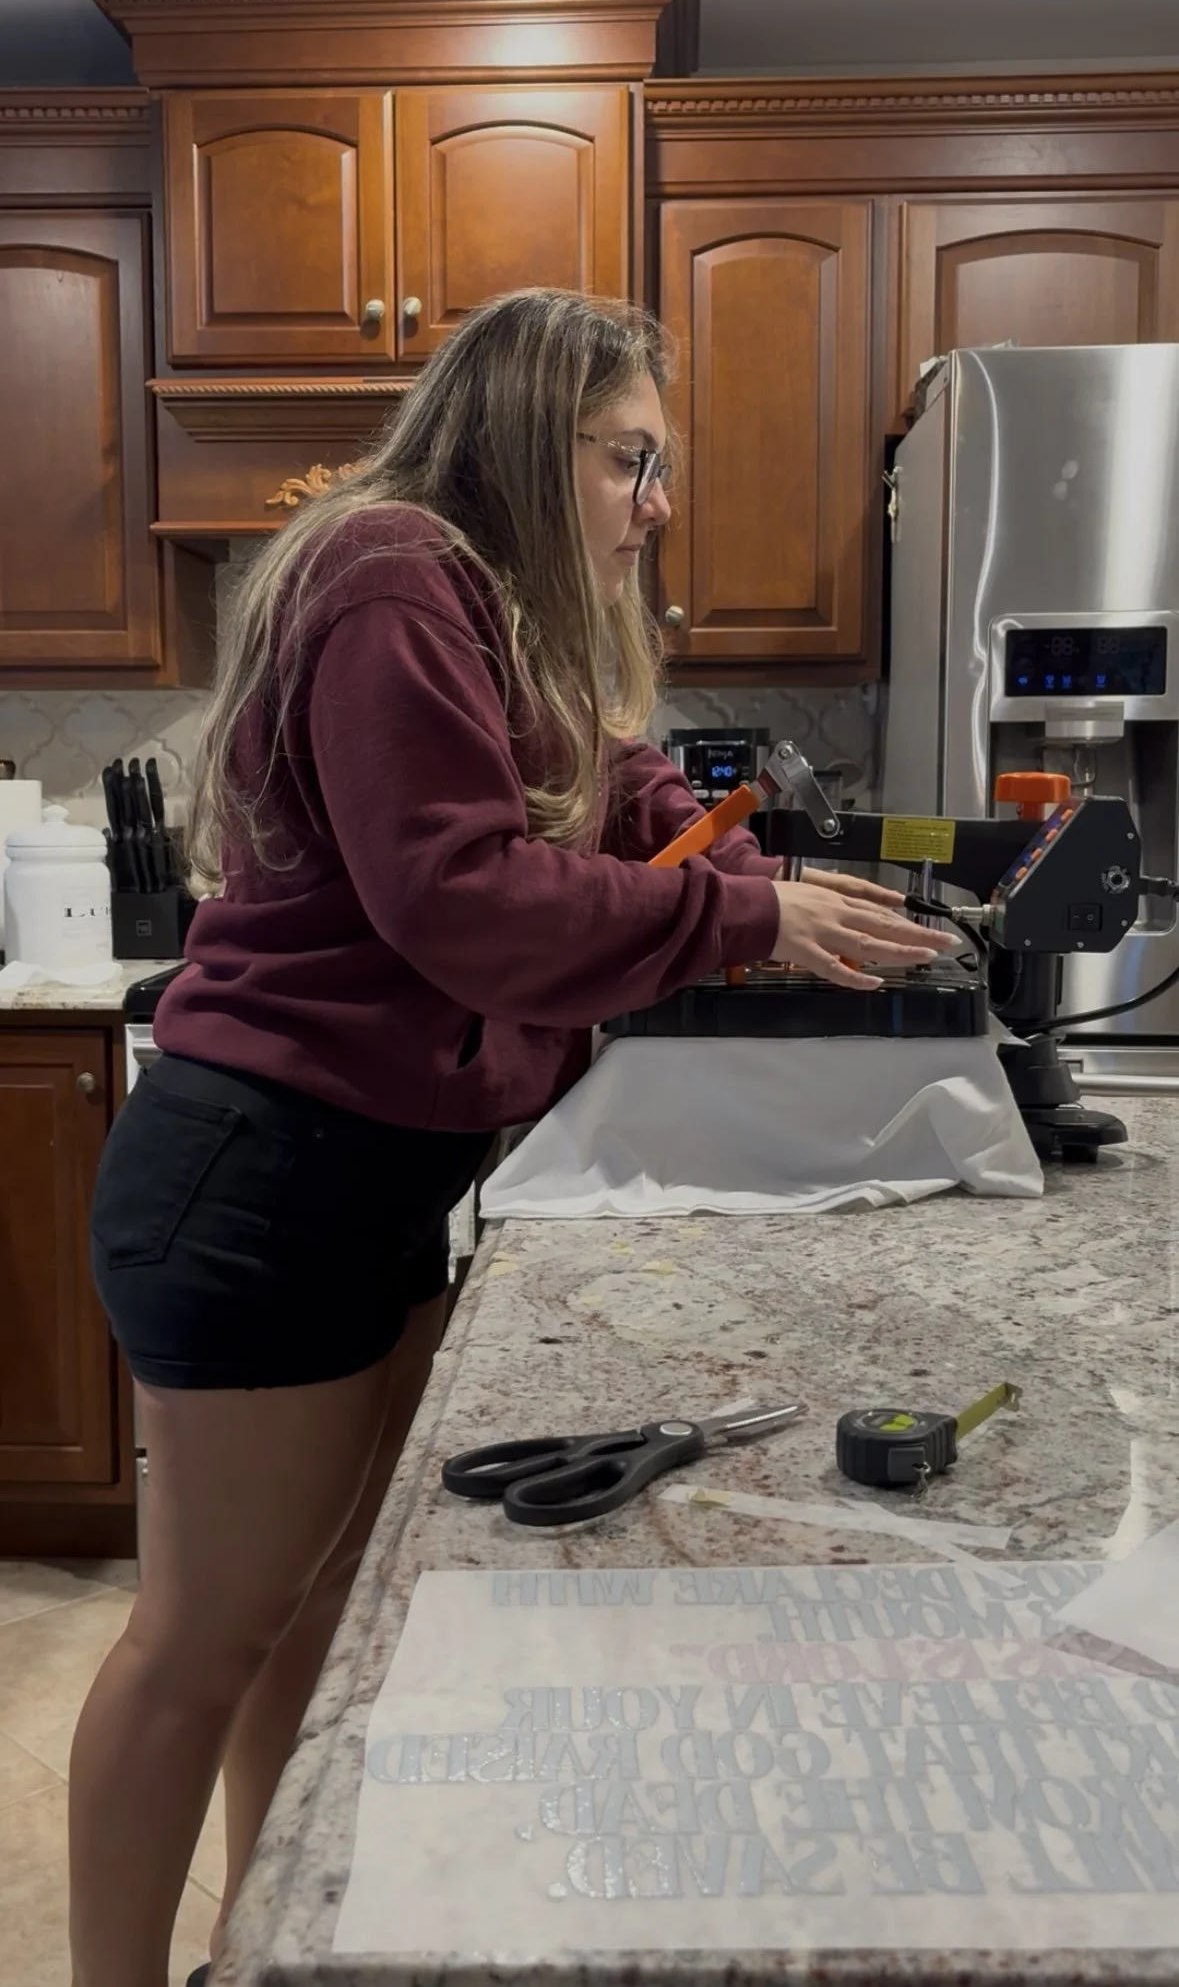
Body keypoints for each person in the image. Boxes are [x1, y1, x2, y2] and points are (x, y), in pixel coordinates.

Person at [69, 287, 950, 1987]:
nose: (658, 501)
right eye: (632, 460)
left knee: (305, 1617)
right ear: (525, 435)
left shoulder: (499, 612)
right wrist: (736, 926)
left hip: (365, 1178)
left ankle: (260, 1949)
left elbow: (622, 801)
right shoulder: (394, 574)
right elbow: (461, 901)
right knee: (200, 1637)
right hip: (257, 1179)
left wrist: (760, 886)